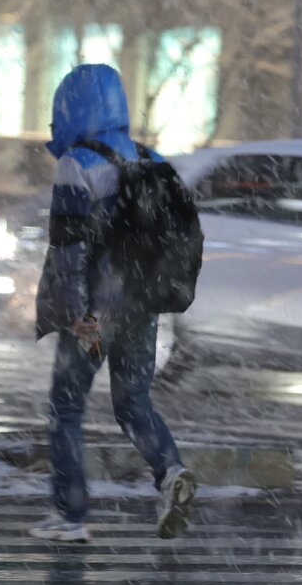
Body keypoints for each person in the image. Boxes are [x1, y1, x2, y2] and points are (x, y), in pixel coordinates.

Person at [29, 63, 197, 543]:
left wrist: (78, 315)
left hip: (95, 312)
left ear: (72, 108)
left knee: (65, 408)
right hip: (142, 307)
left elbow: (69, 249)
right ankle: (170, 471)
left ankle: (71, 515)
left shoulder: (77, 162)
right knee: (133, 404)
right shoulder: (152, 158)